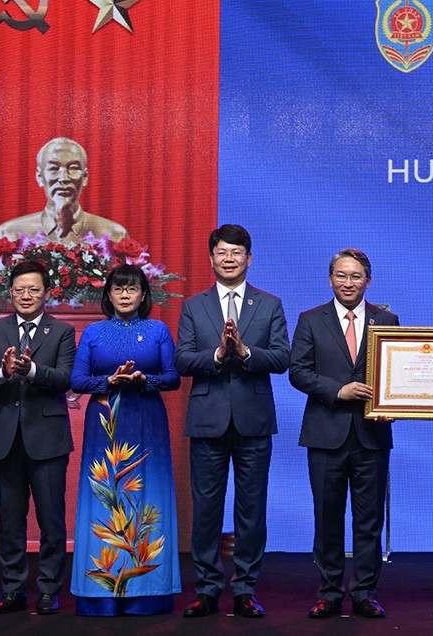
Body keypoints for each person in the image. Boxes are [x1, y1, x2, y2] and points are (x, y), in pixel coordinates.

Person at [176, 224, 290, 618]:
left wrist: (243, 352)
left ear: (249, 258)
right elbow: (182, 359)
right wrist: (218, 355)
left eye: (236, 252)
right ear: (211, 258)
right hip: (207, 421)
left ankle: (245, 589)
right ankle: (207, 589)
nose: (229, 259)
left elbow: (282, 358)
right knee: (206, 510)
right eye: (222, 252)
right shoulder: (194, 306)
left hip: (253, 421)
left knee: (251, 510)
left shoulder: (269, 304)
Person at [290, 248, 398, 619]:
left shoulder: (387, 320)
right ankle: (329, 593)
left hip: (372, 435)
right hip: (325, 433)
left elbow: (397, 372)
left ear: (368, 280)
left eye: (355, 276)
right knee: (327, 518)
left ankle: (365, 592)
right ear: (330, 278)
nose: (348, 282)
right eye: (341, 275)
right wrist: (338, 391)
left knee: (369, 520)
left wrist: (397, 402)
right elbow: (298, 372)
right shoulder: (310, 319)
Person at [69, 264, 181, 615]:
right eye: (118, 289)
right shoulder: (93, 332)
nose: (125, 295)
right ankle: (101, 595)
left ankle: (148, 593)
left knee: (147, 494)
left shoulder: (158, 330)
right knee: (106, 496)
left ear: (143, 295)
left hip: (147, 419)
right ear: (108, 294)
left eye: (132, 289)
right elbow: (77, 380)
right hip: (105, 423)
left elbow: (173, 377)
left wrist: (144, 380)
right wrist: (108, 381)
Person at [0, 260, 76, 616]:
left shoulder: (61, 331)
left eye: (33, 289)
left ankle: (48, 589)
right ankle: (13, 590)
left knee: (51, 520)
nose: (26, 295)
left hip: (47, 439)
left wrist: (31, 370)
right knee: (10, 521)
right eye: (19, 290)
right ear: (10, 293)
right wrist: (2, 372)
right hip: (5, 438)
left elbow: (66, 378)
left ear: (47, 293)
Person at [0, 137, 129, 244]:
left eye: (73, 168)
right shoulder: (10, 234)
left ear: (85, 177)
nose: (63, 178)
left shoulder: (114, 235)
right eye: (53, 169)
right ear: (40, 177)